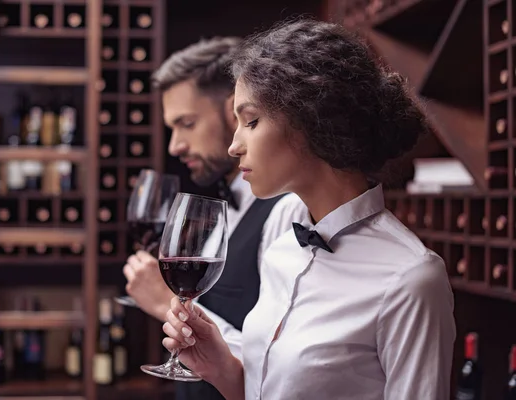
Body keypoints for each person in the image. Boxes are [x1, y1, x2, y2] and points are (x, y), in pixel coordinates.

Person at [161, 18, 456, 400]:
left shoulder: (411, 279)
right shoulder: (283, 250)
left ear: (309, 119)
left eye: (250, 121)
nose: (235, 146)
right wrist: (223, 369)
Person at [122, 36, 307, 400]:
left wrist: (164, 303)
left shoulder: (289, 209)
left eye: (186, 123)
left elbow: (279, 370)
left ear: (232, 111)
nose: (175, 145)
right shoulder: (221, 203)